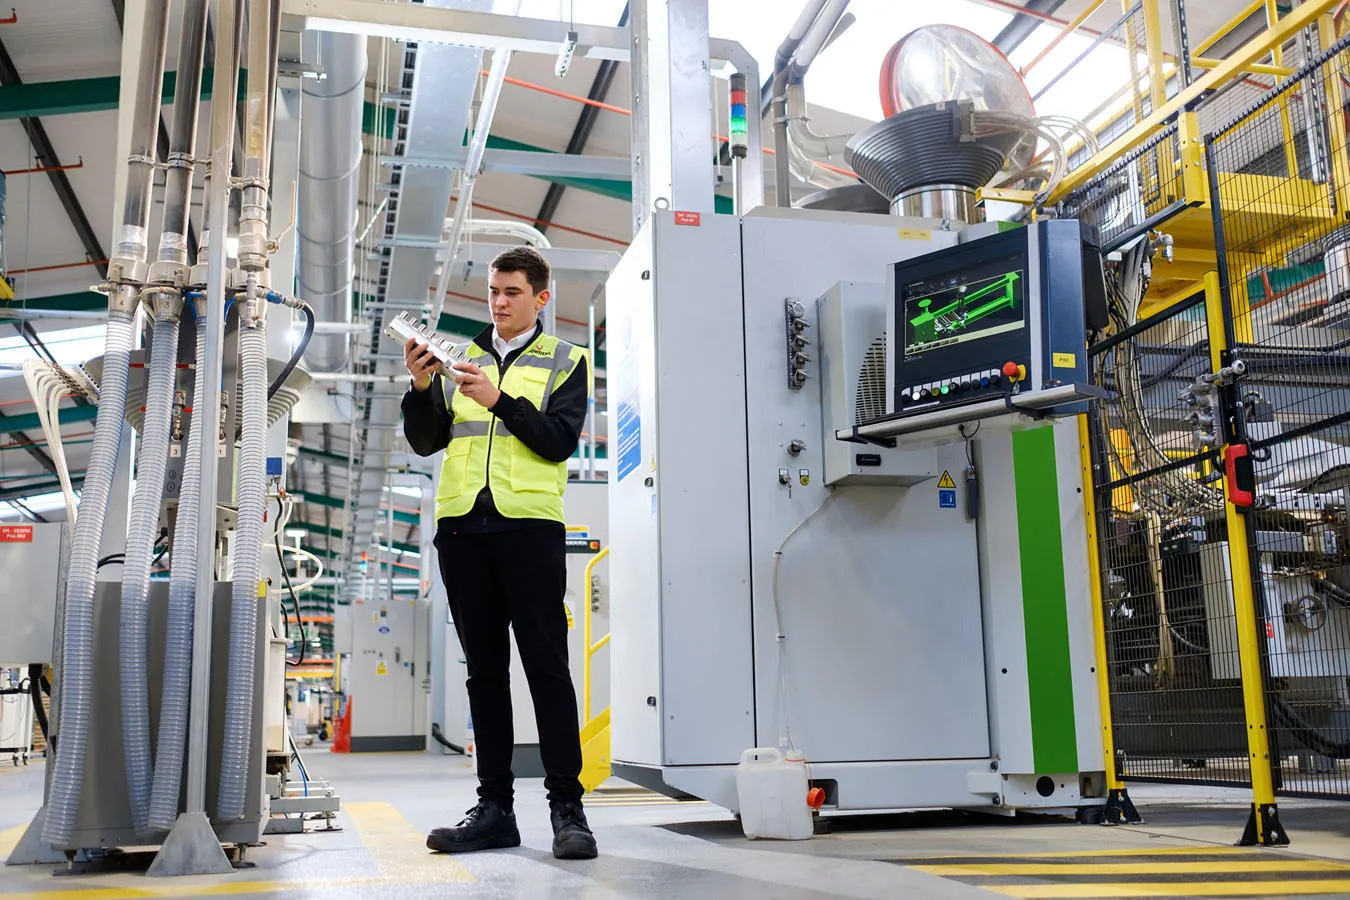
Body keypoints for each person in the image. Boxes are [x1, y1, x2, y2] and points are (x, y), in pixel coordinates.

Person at [401, 246, 597, 860]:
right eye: (492, 290)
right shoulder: (462, 358)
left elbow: (558, 441)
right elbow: (427, 440)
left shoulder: (567, 360)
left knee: (547, 671)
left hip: (529, 530)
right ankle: (494, 810)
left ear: (540, 298)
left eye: (511, 292)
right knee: (484, 674)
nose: (498, 302)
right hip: (463, 530)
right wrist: (422, 384)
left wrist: (498, 401)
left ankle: (568, 808)